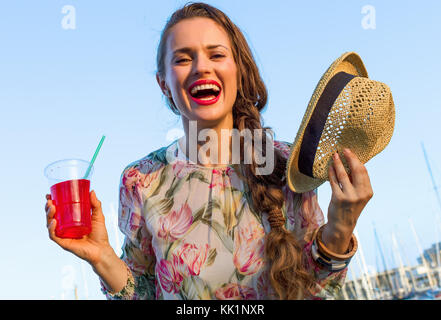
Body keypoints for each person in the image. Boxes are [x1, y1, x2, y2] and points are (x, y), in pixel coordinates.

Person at [44, 2, 373, 300]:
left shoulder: (288, 166)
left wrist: (340, 228)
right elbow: (141, 294)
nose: (201, 67)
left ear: (237, 71)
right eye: (183, 59)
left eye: (216, 55)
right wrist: (102, 256)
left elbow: (317, 293)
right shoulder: (139, 180)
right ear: (164, 84)